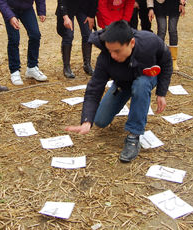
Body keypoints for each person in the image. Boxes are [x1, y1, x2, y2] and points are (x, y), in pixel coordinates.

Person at [65, 20, 172, 162]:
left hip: (145, 78)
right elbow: (94, 89)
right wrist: (86, 120)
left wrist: (161, 92)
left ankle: (134, 134)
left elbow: (166, 61)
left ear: (131, 43)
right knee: (100, 121)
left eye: (117, 51)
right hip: (122, 83)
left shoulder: (150, 42)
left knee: (140, 86)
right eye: (110, 51)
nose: (113, 55)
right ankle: (120, 99)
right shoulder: (105, 58)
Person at [56, 0, 101, 78]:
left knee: (87, 33)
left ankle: (87, 64)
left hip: (83, 5)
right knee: (68, 34)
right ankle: (66, 67)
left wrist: (92, 16)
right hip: (68, 6)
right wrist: (65, 16)